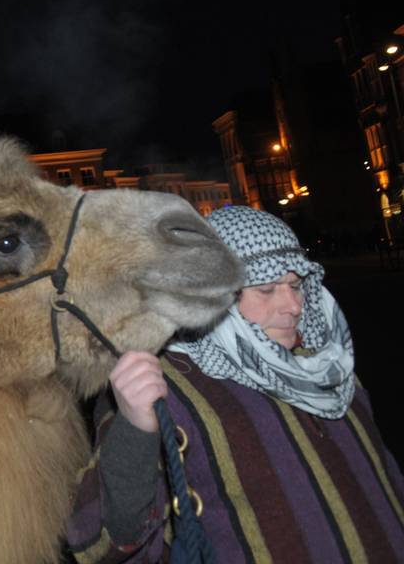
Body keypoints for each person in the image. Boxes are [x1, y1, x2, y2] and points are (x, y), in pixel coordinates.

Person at [68, 205, 404, 562]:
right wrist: (134, 429)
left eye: (295, 285)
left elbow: (387, 478)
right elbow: (101, 539)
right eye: (267, 288)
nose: (292, 304)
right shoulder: (166, 387)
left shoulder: (328, 367)